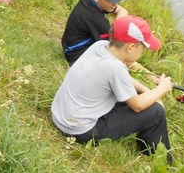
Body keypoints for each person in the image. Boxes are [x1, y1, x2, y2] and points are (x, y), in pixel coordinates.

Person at [51, 15, 172, 161]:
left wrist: (149, 92)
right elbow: (138, 106)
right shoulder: (115, 68)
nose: (143, 52)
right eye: (143, 48)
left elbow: (122, 79)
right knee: (155, 112)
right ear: (131, 47)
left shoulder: (100, 46)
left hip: (60, 115)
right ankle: (161, 160)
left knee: (143, 97)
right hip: (79, 131)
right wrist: (162, 89)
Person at [61, 0, 129, 66]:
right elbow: (115, 47)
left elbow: (122, 11)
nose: (115, 4)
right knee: (116, 64)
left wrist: (117, 25)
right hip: (76, 54)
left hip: (78, 44)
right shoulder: (93, 17)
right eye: (111, 0)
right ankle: (148, 78)